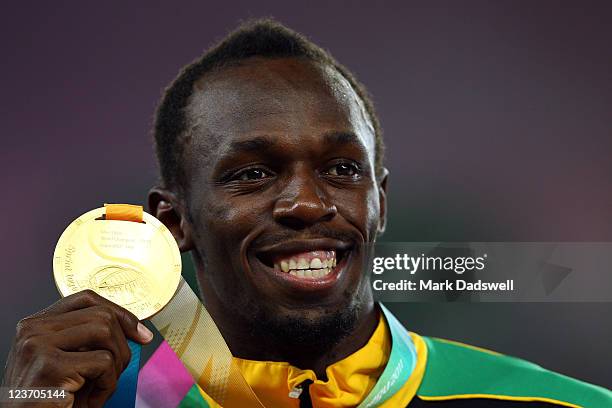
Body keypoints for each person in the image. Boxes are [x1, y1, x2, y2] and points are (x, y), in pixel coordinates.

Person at [3, 19, 611, 408]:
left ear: (380, 203)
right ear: (172, 223)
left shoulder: (560, 405)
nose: (308, 204)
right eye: (252, 174)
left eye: (343, 170)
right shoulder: (87, 400)